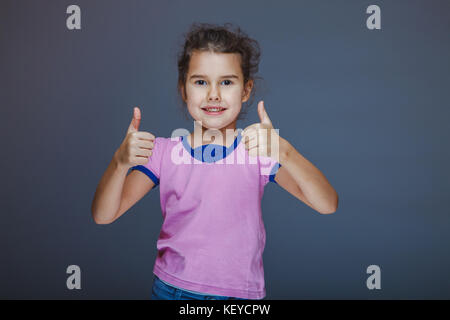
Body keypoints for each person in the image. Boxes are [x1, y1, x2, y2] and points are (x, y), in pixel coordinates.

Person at [91, 22, 338, 300]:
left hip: (239, 296)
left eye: (226, 82)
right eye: (200, 81)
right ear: (183, 89)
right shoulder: (162, 152)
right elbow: (103, 215)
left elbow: (327, 204)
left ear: (246, 90)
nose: (213, 94)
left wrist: (286, 152)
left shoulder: (257, 151)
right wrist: (119, 163)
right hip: (172, 290)